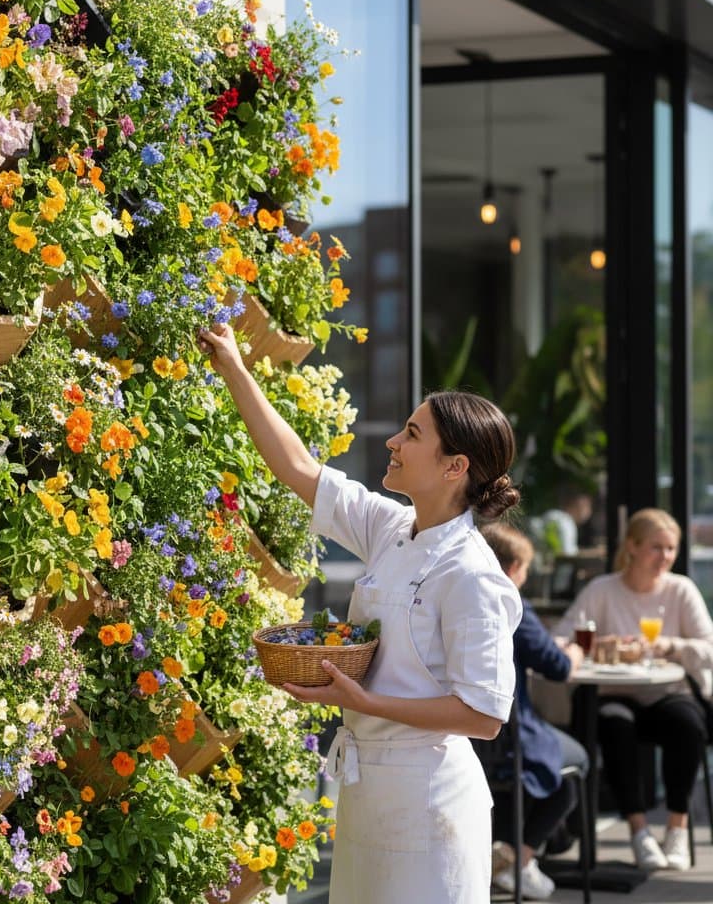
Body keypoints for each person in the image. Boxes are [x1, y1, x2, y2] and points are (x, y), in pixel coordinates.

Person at [198, 322, 523, 904]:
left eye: (412, 433)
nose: (393, 441)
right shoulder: (391, 527)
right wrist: (234, 369)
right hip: (369, 792)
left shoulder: (472, 574)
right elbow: (298, 468)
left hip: (430, 804)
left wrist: (363, 702)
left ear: (455, 467)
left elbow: (483, 714)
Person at [553, 507, 713, 872]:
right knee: (615, 726)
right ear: (633, 547)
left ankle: (676, 828)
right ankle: (639, 832)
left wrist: (668, 646)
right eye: (657, 547)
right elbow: (560, 638)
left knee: (687, 725)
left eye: (671, 549)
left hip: (665, 692)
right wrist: (596, 645)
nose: (665, 557)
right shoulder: (602, 590)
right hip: (613, 694)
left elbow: (709, 648)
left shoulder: (680, 590)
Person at [481, 521, 589, 900]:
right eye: (526, 568)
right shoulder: (511, 602)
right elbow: (556, 667)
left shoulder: (461, 596)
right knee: (576, 762)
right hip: (507, 731)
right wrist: (574, 652)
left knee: (528, 768)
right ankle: (520, 858)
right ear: (512, 568)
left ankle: (509, 854)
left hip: (471, 735)